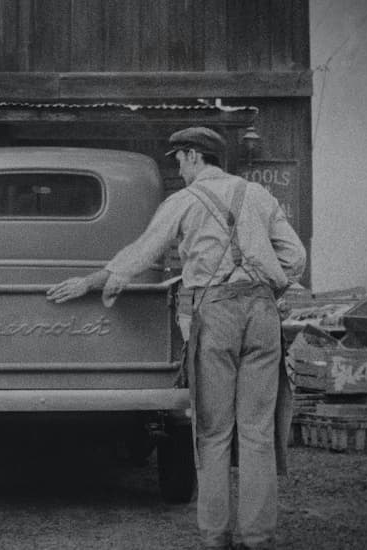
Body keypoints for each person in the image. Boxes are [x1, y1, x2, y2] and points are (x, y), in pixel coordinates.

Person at [46, 127, 306, 550]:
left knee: (214, 430)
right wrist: (265, 283)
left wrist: (92, 281)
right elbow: (294, 257)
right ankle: (258, 537)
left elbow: (142, 252)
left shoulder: (184, 201)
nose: (178, 168)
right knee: (257, 431)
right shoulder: (259, 196)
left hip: (216, 312)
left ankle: (215, 536)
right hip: (262, 314)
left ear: (193, 156)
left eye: (179, 159)